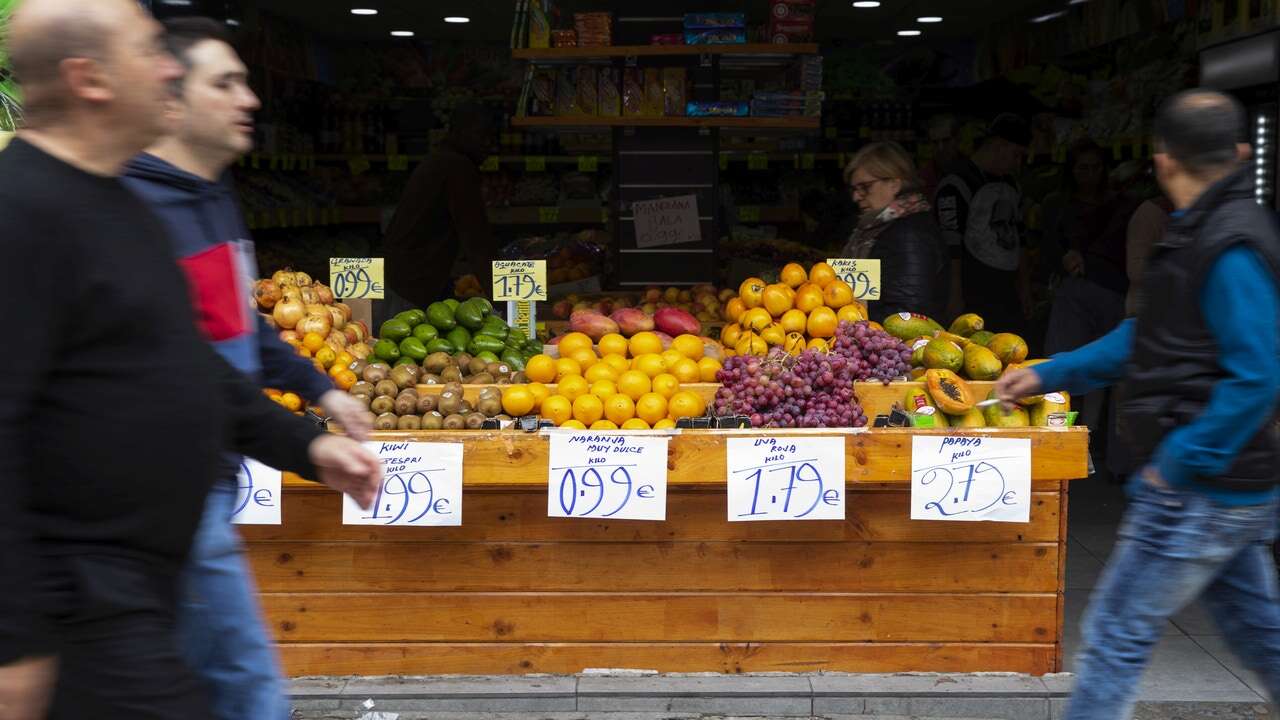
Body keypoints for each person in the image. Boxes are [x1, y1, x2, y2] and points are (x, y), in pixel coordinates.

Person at [0, 1, 382, 718]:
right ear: (90, 78)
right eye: (151, 52)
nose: (169, 68)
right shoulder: (20, 218)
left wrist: (306, 444)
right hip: (74, 610)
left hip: (142, 589)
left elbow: (189, 364)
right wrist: (14, 645)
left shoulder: (119, 208)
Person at [118, 17, 373, 720]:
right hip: (165, 490)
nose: (249, 99)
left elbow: (242, 331)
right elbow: (190, 365)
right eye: (224, 83)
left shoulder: (213, 198)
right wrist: (308, 444)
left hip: (211, 474)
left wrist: (322, 389)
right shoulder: (136, 210)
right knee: (245, 684)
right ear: (171, 98)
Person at [997, 89, 1280, 720]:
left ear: (1161, 160)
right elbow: (1150, 338)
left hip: (1198, 489)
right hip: (1228, 486)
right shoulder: (1200, 231)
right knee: (1261, 635)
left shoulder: (1228, 245)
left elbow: (1256, 377)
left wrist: (1177, 463)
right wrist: (1049, 373)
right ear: (1239, 153)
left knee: (1116, 638)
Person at [382, 102, 498, 323]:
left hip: (405, 276)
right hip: (413, 281)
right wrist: (504, 299)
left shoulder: (441, 159)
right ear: (460, 131)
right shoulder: (457, 167)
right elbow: (476, 238)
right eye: (483, 135)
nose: (490, 145)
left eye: (493, 137)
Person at [934, 113, 1031, 330]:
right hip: (972, 290)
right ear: (998, 145)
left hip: (1006, 289)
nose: (1018, 163)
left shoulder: (1012, 184)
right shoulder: (956, 183)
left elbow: (1020, 238)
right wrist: (955, 296)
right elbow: (951, 247)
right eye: (1016, 155)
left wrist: (1024, 287)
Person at [839, 141, 949, 321]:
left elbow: (907, 315)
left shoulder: (910, 235)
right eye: (854, 189)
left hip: (893, 344)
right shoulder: (875, 230)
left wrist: (857, 324)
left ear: (894, 184)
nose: (856, 196)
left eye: (865, 187)